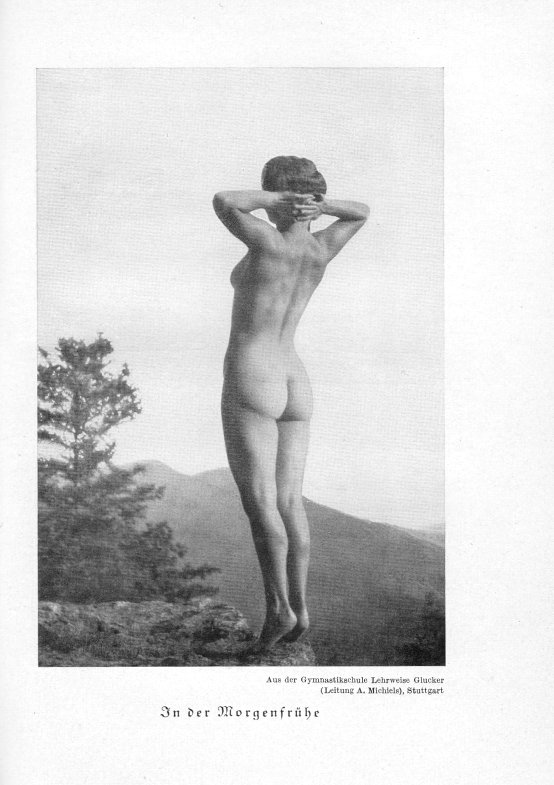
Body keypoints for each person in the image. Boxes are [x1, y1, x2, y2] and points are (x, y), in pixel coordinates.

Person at [213, 156, 369, 651]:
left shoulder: (267, 241)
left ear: (280, 197)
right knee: (289, 502)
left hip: (253, 373)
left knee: (261, 502)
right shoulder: (321, 248)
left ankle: (278, 610)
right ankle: (300, 610)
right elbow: (361, 212)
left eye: (272, 195)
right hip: (294, 379)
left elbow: (224, 201)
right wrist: (320, 207)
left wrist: (281, 201)